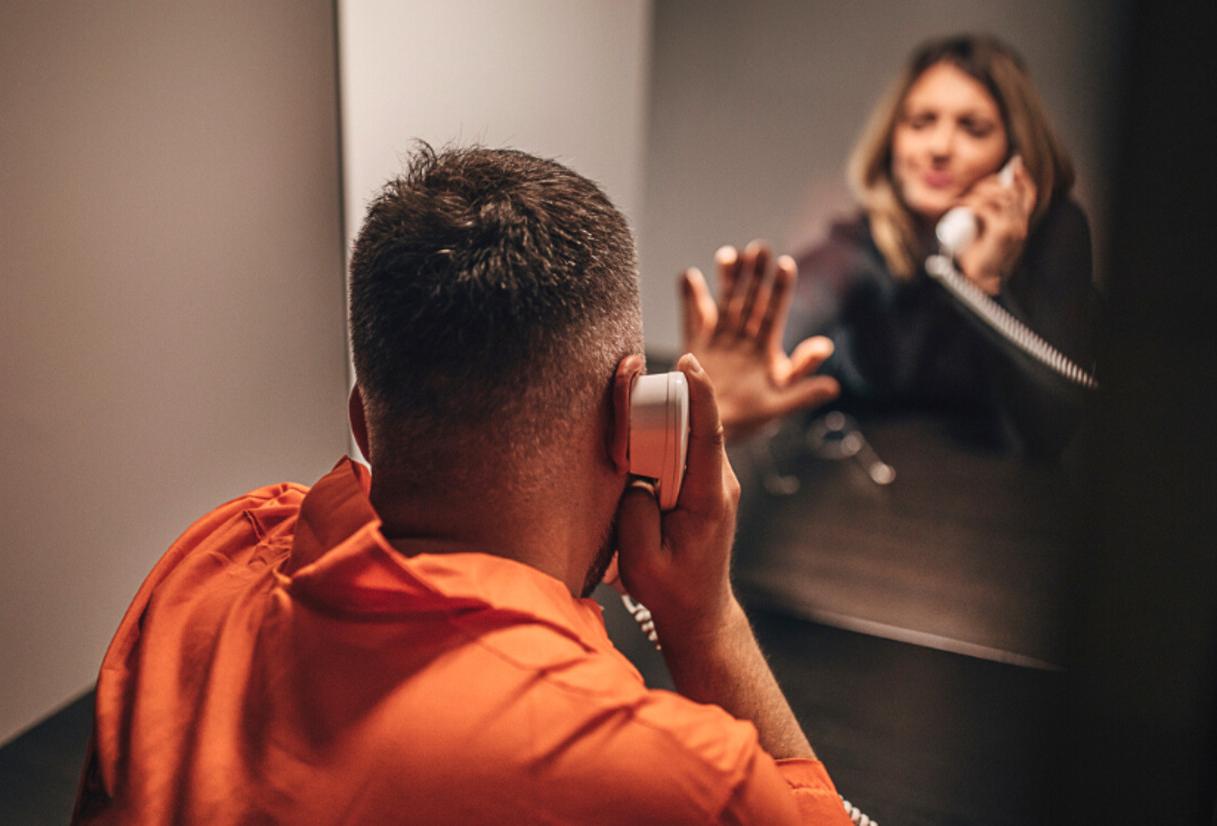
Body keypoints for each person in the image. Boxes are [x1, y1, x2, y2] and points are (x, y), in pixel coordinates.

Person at [70, 144, 854, 824]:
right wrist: (705, 620)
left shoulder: (211, 559)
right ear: (634, 415)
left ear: (363, 423)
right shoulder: (670, 776)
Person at [684, 34, 1097, 459]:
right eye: (920, 122)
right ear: (892, 138)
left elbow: (1050, 432)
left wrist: (982, 283)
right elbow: (808, 299)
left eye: (973, 129)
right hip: (869, 506)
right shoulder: (860, 244)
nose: (938, 148)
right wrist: (738, 384)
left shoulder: (1056, 235)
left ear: (1015, 154)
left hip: (998, 510)